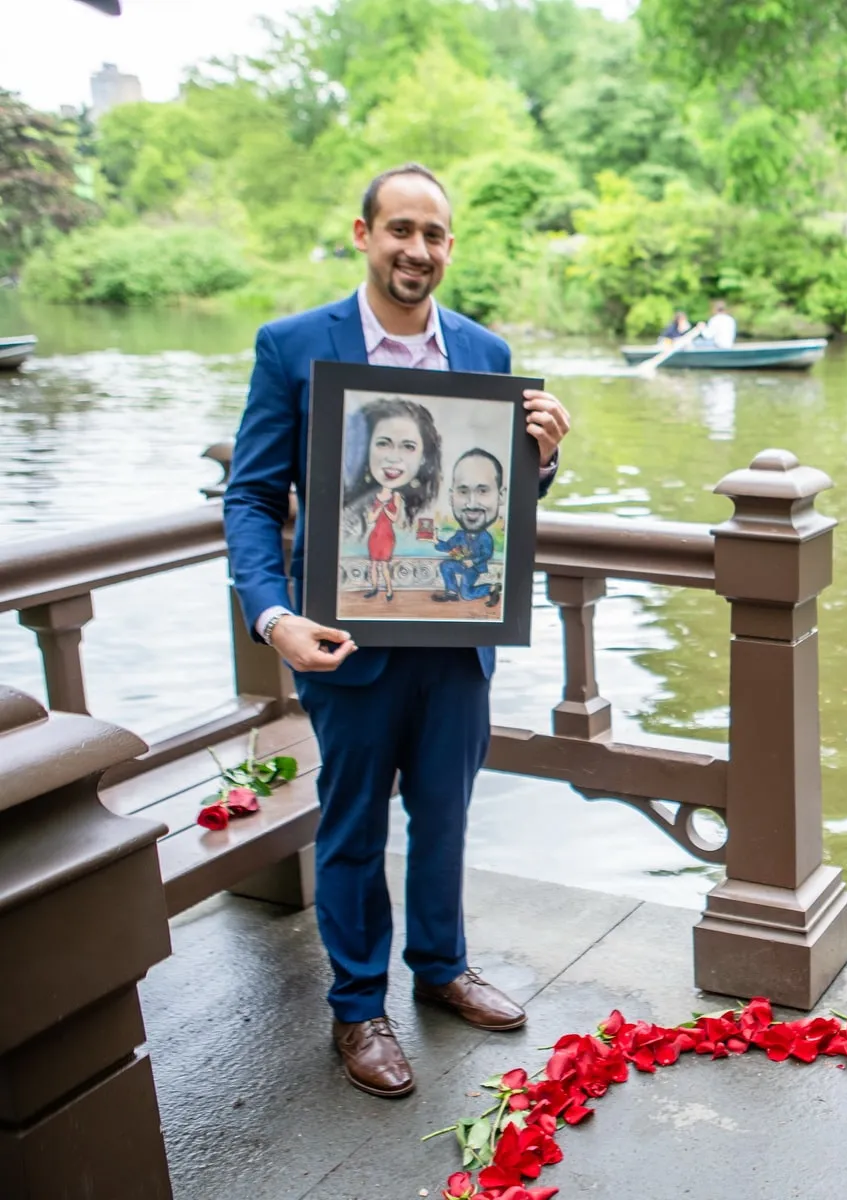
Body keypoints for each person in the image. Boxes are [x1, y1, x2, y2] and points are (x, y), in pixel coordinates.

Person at [222, 163, 572, 1099]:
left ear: (450, 247)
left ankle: (442, 966)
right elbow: (253, 495)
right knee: (351, 825)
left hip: (457, 638)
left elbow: (498, 501)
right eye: (400, 230)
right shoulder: (294, 347)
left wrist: (540, 462)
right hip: (342, 642)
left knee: (449, 816)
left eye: (435, 235)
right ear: (363, 234)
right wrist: (273, 615)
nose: (417, 249)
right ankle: (357, 1006)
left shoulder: (485, 355)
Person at [341, 398, 442, 604]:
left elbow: (397, 520)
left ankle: (387, 590)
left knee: (383, 566)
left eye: (408, 447)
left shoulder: (410, 505)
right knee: (374, 566)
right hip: (375, 537)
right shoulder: (351, 511)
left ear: (424, 456)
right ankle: (375, 589)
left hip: (386, 537)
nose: (394, 457)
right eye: (383, 444)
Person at [434, 449, 504, 607]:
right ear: (451, 497)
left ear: (501, 496)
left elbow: (487, 553)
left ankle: (491, 588)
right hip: (462, 563)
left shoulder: (485, 537)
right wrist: (435, 540)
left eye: (483, 491)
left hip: (473, 568)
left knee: (466, 594)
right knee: (446, 565)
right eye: (463, 491)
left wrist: (472, 562)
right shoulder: (460, 534)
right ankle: (451, 592)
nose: (471, 503)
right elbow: (448, 546)